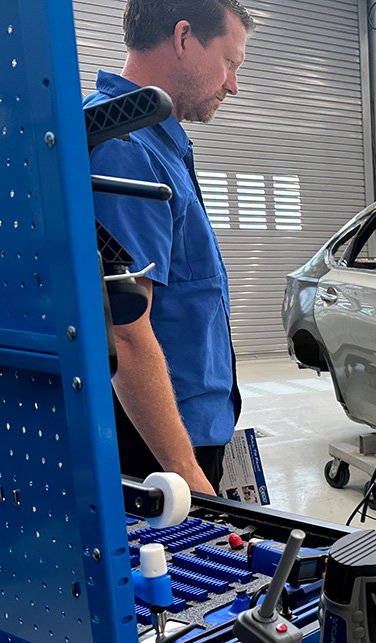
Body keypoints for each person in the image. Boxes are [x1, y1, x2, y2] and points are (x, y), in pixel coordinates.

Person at [85, 0, 255, 494]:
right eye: (229, 62)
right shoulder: (124, 147)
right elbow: (125, 330)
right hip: (158, 448)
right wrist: (187, 476)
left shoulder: (154, 140)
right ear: (183, 38)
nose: (232, 84)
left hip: (182, 429)